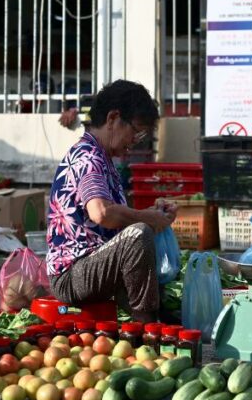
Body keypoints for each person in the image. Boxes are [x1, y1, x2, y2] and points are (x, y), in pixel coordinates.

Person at [46, 79, 177, 323]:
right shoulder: (88, 157)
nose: (135, 140)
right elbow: (102, 214)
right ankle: (146, 326)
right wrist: (147, 218)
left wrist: (153, 215)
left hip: (93, 266)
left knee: (140, 232)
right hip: (72, 276)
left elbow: (112, 217)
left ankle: (155, 319)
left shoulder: (104, 159)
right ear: (113, 118)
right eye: (135, 131)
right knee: (138, 234)